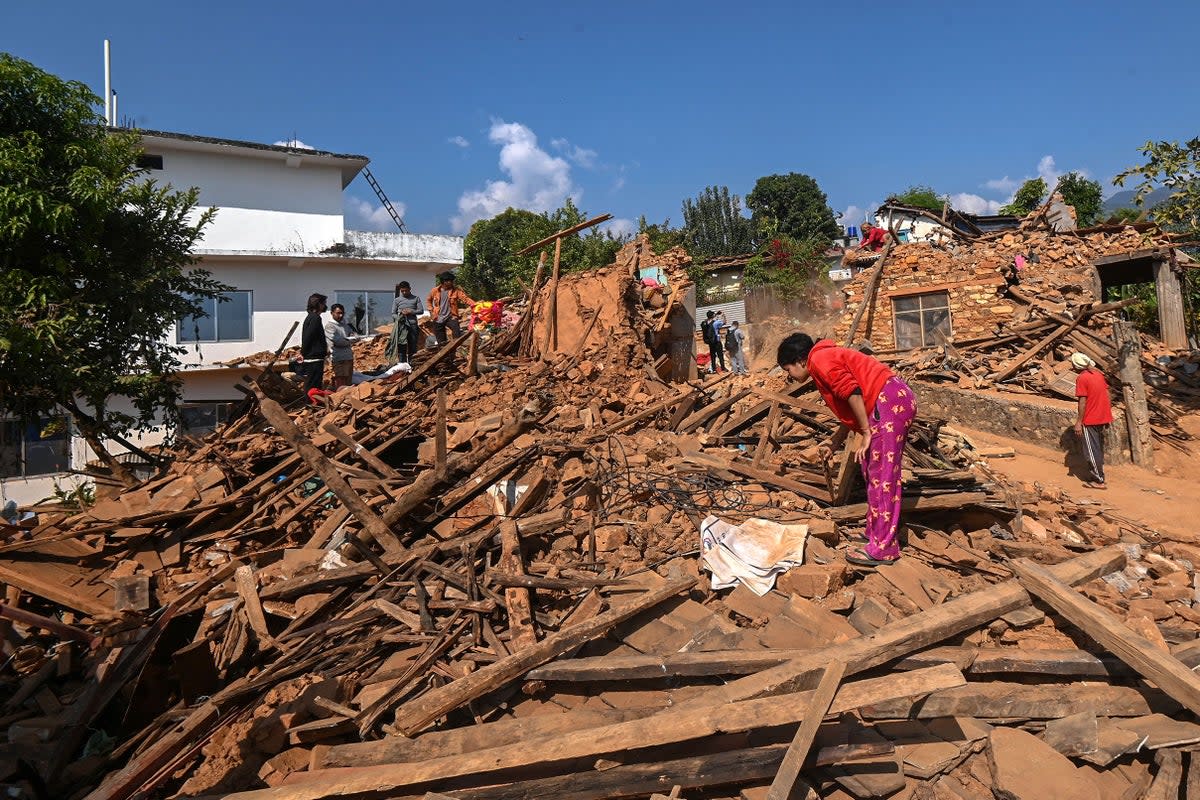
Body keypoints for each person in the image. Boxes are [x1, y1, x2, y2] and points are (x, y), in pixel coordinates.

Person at [777, 333, 917, 566]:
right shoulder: (823, 358)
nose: (788, 376)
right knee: (872, 471)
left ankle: (883, 549)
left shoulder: (819, 360)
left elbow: (852, 392)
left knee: (883, 476)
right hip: (888, 401)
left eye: (788, 369)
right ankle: (874, 533)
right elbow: (850, 403)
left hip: (888, 402)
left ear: (800, 360)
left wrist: (866, 431)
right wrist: (835, 442)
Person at [1071, 352, 1113, 489]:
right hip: (1102, 416)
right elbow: (1107, 394)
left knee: (1091, 450)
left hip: (1090, 418)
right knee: (1097, 447)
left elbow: (1082, 402)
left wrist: (1079, 422)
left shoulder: (1082, 379)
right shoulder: (1098, 375)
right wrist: (1107, 413)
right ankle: (1098, 475)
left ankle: (1098, 480)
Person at [426, 273, 475, 346]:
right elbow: (428, 300)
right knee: (441, 341)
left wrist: (476, 305)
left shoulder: (456, 291)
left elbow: (465, 299)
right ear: (443, 282)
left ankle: (457, 348)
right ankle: (444, 354)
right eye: (449, 281)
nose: (451, 282)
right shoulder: (435, 291)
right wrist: (431, 311)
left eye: (452, 281)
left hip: (451, 317)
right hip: (438, 318)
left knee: (456, 332)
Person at [324, 303, 359, 389]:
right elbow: (338, 342)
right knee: (341, 384)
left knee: (348, 382)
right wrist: (350, 340)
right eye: (338, 313)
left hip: (348, 357)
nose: (341, 315)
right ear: (332, 313)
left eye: (342, 313)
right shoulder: (330, 326)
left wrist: (349, 339)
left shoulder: (345, 325)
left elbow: (356, 337)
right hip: (338, 358)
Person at [299, 293, 329, 392]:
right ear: (318, 304)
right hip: (314, 358)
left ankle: (311, 403)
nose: (325, 305)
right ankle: (311, 404)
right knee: (313, 385)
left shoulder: (311, 317)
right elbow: (308, 337)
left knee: (312, 383)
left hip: (314, 357)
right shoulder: (315, 318)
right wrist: (303, 352)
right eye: (323, 303)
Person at [390, 281, 425, 363]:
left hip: (413, 326)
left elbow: (421, 311)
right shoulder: (397, 300)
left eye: (406, 290)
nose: (404, 292)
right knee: (401, 346)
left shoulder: (416, 298)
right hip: (401, 327)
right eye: (402, 291)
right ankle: (402, 365)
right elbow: (393, 313)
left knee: (412, 346)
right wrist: (399, 318)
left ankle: (412, 365)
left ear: (410, 289)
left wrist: (411, 311)